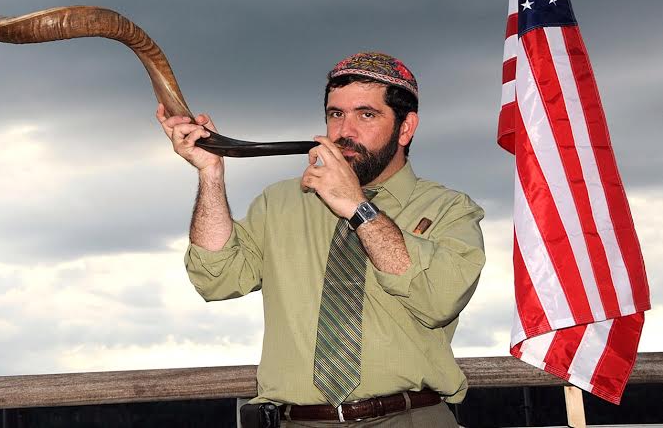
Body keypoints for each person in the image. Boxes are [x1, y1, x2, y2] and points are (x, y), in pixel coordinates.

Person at [156, 52, 485, 427]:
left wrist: (357, 207)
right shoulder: (281, 200)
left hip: (410, 418)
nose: (345, 131)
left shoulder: (451, 209)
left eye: (366, 115)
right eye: (335, 114)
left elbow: (438, 299)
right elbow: (215, 278)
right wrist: (210, 174)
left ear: (406, 128)